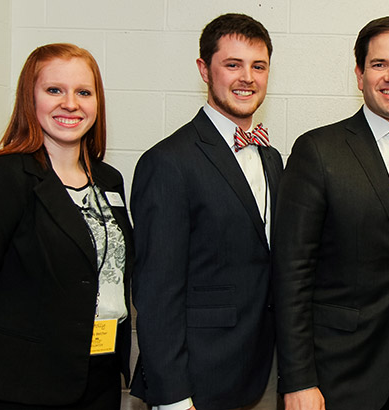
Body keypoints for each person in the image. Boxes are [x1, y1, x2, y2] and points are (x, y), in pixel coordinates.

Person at [272, 16, 389, 410]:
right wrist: (299, 379)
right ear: (359, 75)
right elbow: (291, 274)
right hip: (339, 372)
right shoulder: (318, 151)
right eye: (379, 64)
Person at [0, 43, 132, 409]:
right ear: (29, 98)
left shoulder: (109, 180)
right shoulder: (5, 178)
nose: (70, 103)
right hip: (22, 386)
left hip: (100, 378)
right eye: (54, 90)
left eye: (83, 92)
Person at [130, 13, 282, 410]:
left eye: (258, 66)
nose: (247, 77)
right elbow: (156, 293)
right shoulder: (168, 162)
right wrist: (174, 399)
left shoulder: (272, 158)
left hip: (259, 372)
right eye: (232, 64)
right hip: (196, 379)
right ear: (204, 70)